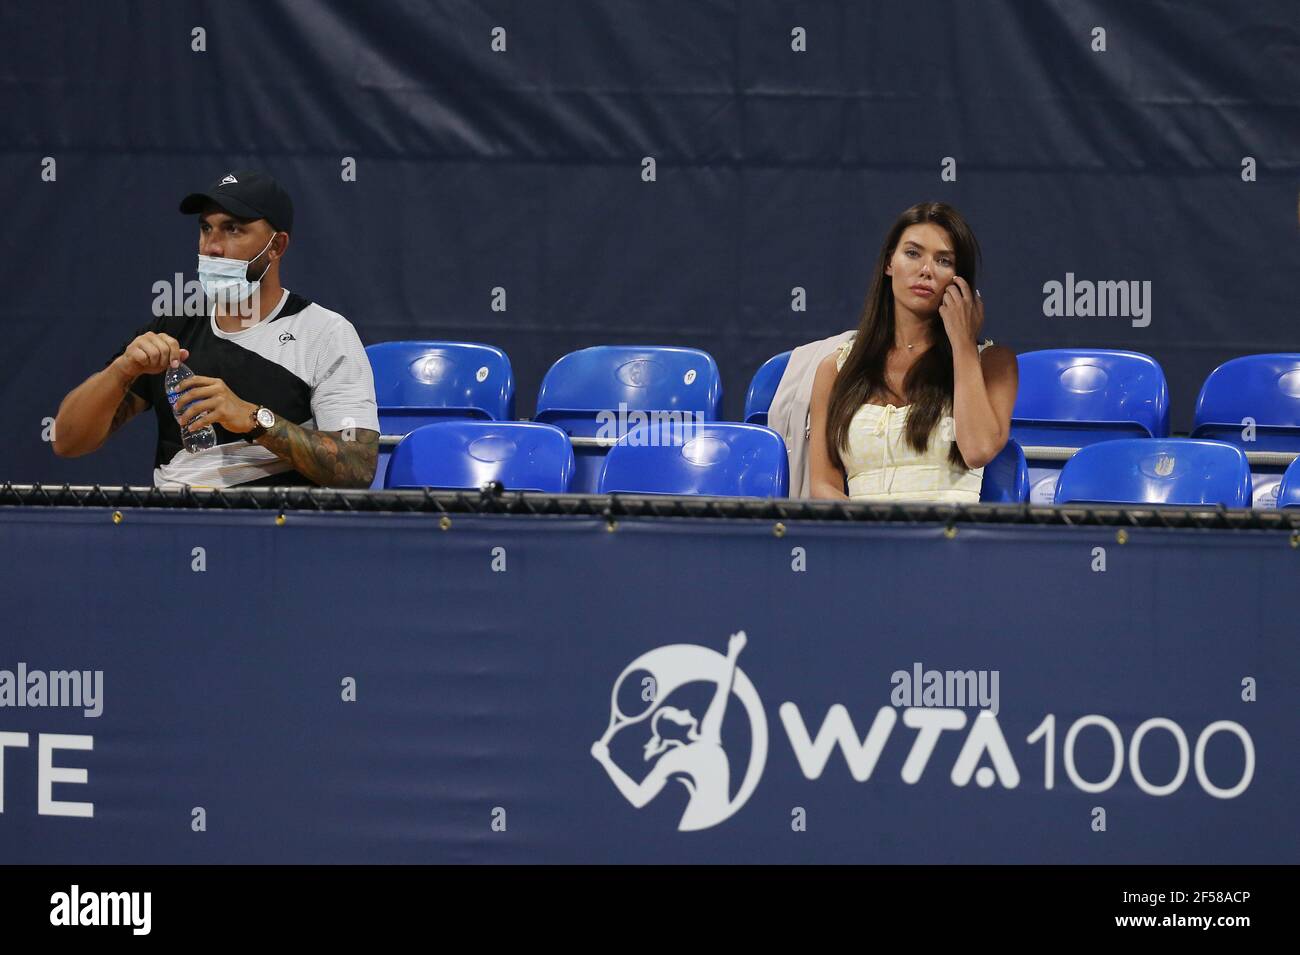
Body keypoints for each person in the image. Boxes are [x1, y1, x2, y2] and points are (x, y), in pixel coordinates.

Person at [52, 170, 380, 488]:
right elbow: (67, 442)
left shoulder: (325, 334)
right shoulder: (171, 329)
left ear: (277, 246)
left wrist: (254, 419)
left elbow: (357, 466)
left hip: (273, 529)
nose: (212, 247)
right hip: (170, 523)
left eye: (233, 229)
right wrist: (121, 371)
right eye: (206, 229)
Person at [808, 201, 1018, 502]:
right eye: (912, 253)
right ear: (889, 264)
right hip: (863, 541)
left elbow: (978, 449)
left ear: (960, 280)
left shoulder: (994, 364)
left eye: (944, 261)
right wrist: (874, 536)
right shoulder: (836, 369)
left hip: (948, 541)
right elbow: (823, 487)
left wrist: (963, 343)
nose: (926, 270)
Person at [590, 631, 747, 831]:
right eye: (678, 712)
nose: (686, 710)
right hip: (698, 825)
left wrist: (732, 654)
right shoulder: (677, 757)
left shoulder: (707, 737)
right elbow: (638, 799)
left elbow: (723, 689)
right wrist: (606, 761)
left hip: (711, 822)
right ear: (675, 728)